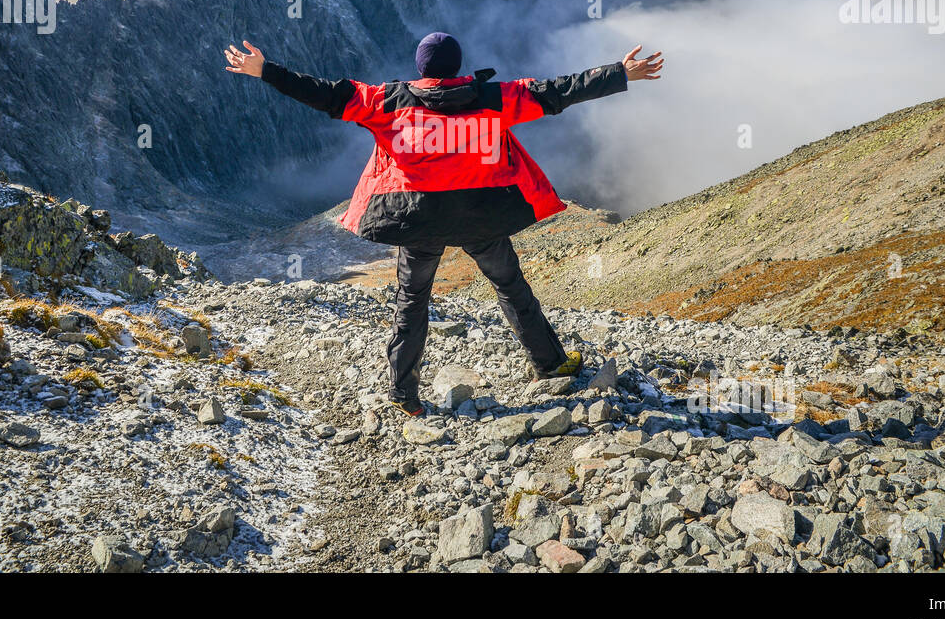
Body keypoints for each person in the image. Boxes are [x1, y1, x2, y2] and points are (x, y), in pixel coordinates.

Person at [224, 32, 663, 416]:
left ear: (420, 67)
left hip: (418, 219)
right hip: (481, 216)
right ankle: (550, 363)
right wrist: (619, 74)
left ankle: (404, 393)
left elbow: (324, 93)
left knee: (411, 301)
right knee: (510, 286)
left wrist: (266, 70)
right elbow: (557, 91)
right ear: (457, 67)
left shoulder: (386, 101)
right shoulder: (494, 97)